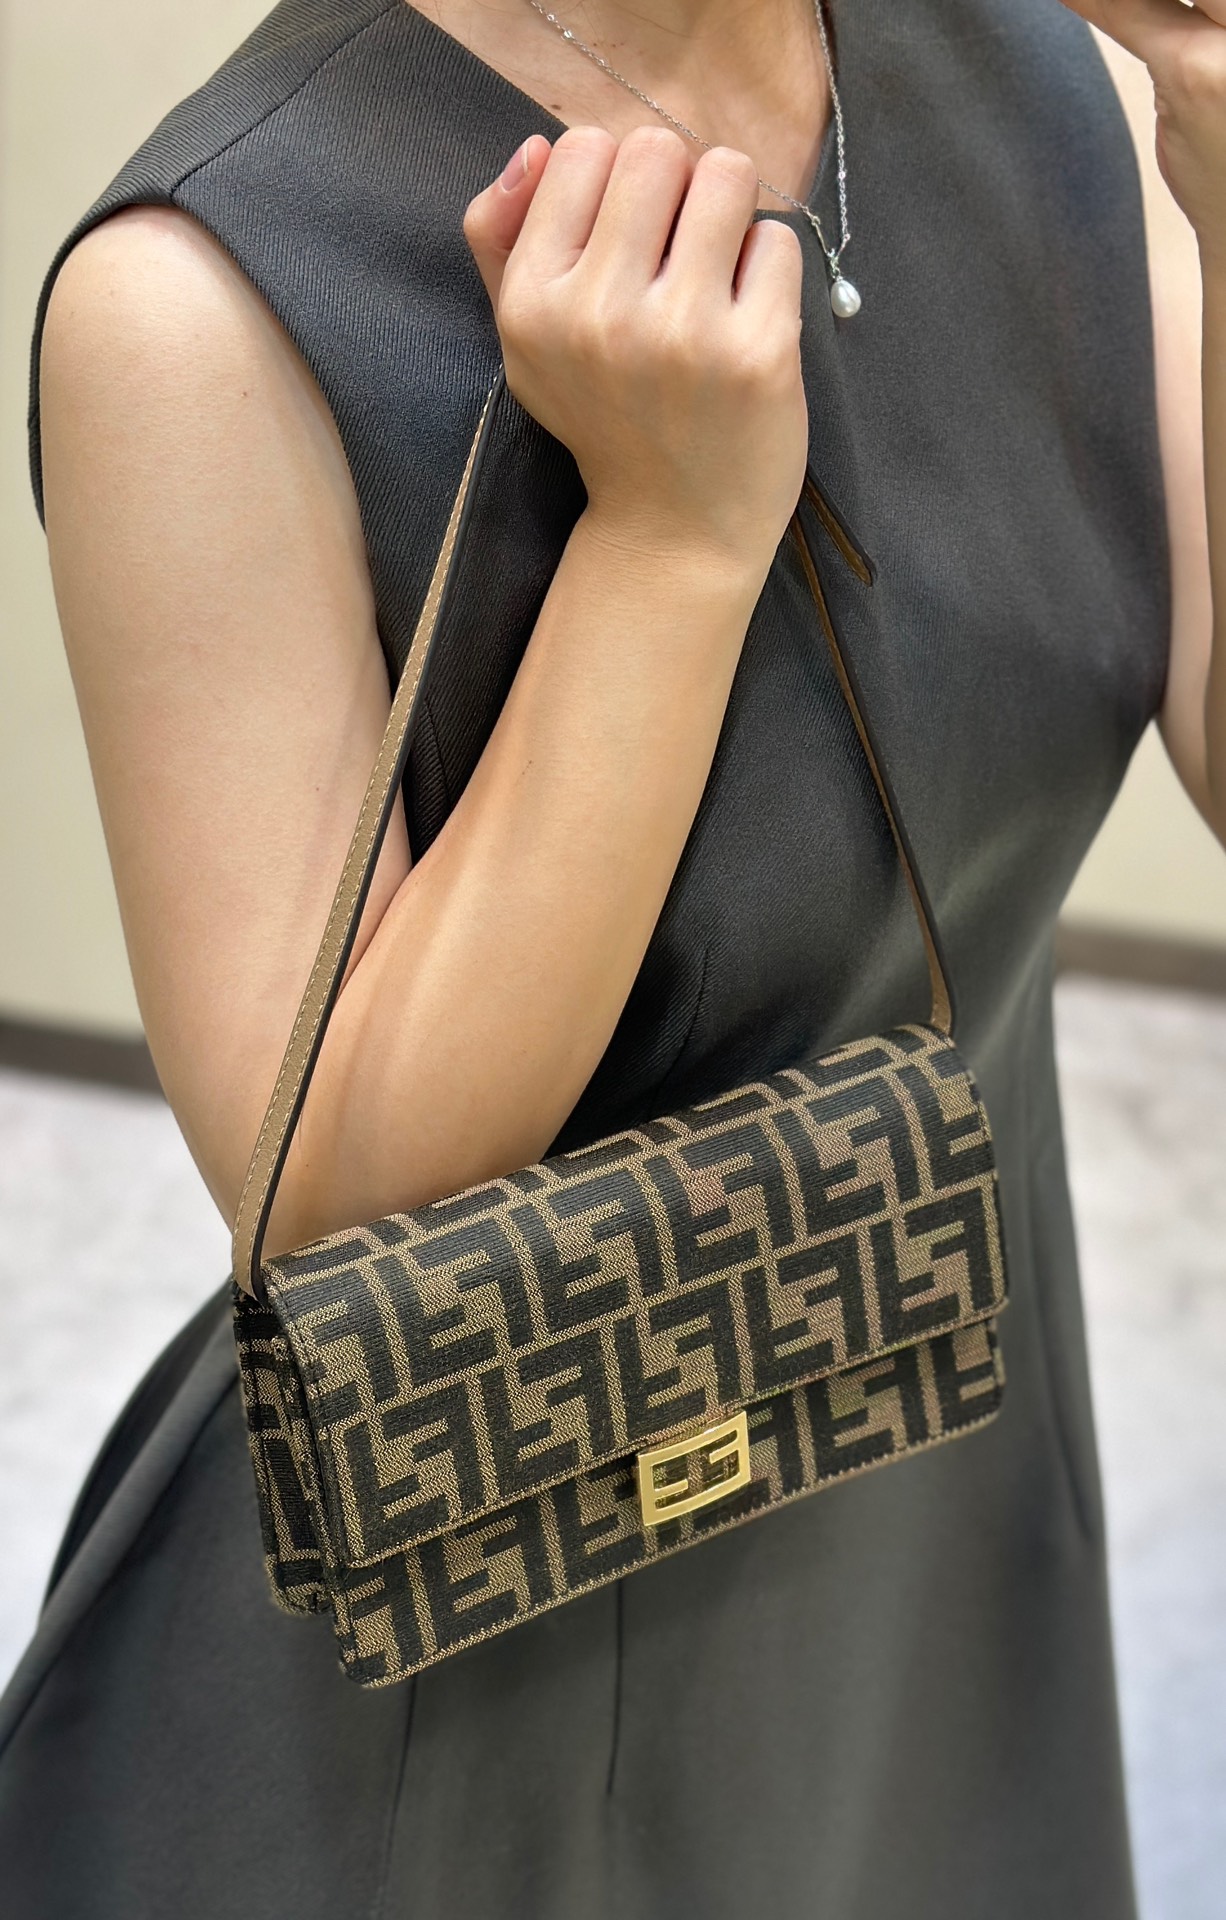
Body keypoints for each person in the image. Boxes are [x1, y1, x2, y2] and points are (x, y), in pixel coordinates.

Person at [1, 0, 1223, 1913]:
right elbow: (332, 1205)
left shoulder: (1042, 78)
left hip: (937, 1453)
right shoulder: (202, 295)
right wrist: (665, 547)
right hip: (491, 1609)